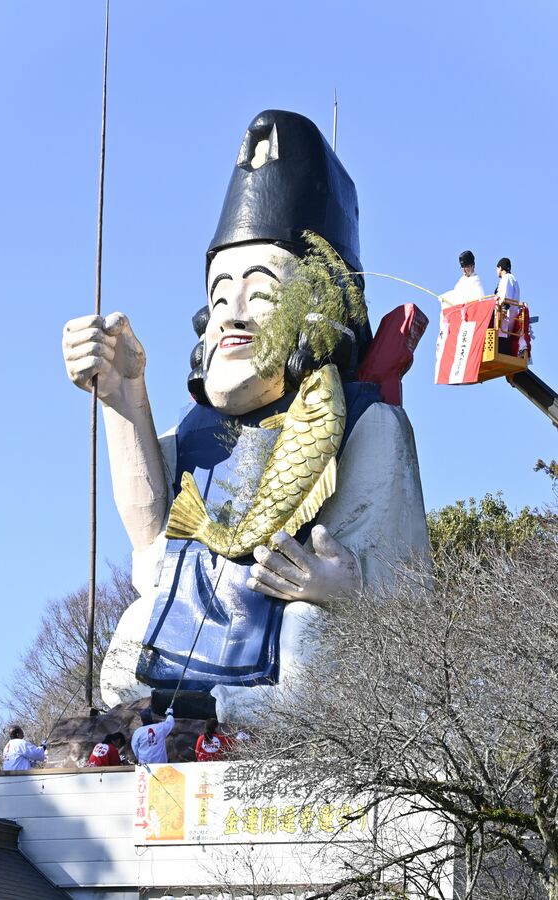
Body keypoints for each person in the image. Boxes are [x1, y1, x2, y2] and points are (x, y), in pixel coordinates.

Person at [62, 109, 430, 725]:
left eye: (260, 294)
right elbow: (153, 549)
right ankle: (170, 718)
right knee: (131, 634)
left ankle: (237, 721)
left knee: (310, 631)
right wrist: (125, 398)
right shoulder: (199, 426)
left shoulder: (366, 422)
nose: (232, 313)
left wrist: (343, 586)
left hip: (287, 656)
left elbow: (405, 595)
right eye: (219, 294)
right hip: (191, 623)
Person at [495, 257, 526, 355]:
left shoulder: (507, 278)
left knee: (501, 340)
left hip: (505, 317)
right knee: (503, 338)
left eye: (497, 268)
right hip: (508, 317)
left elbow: (506, 295)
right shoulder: (512, 278)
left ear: (500, 268)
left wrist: (503, 309)